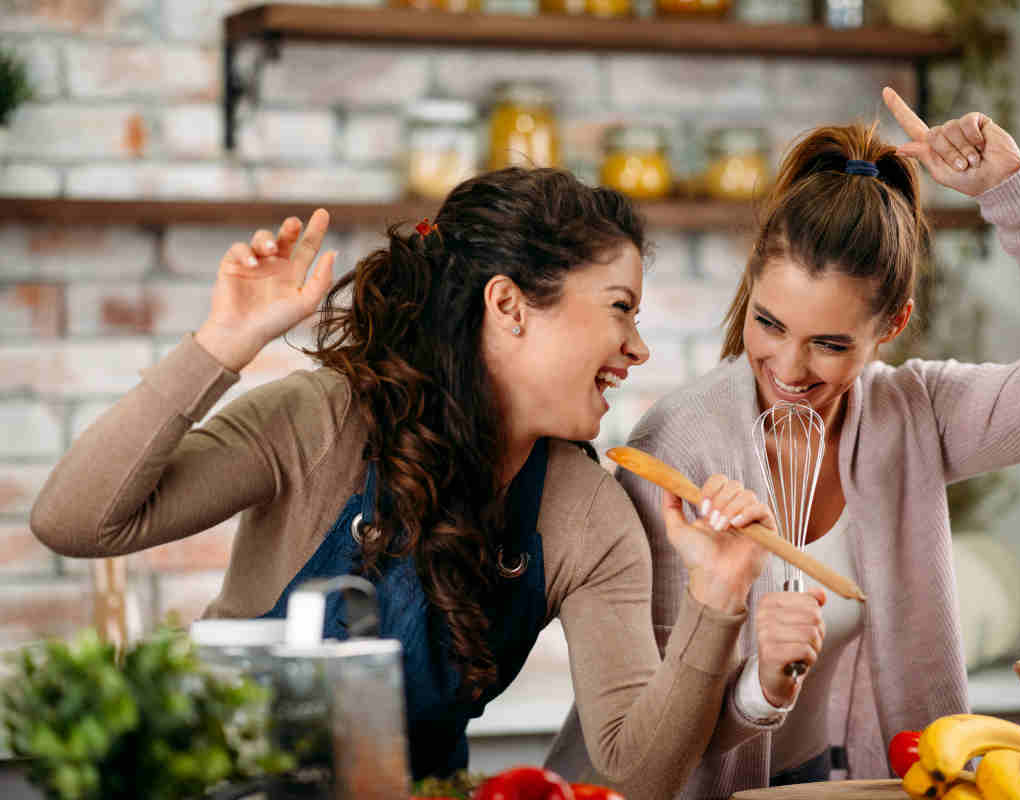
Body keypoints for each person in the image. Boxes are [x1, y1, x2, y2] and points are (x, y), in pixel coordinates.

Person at [29, 167, 778, 799]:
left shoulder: (588, 515)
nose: (637, 349)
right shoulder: (321, 421)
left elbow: (635, 772)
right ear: (509, 305)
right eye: (621, 309)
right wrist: (221, 346)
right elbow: (75, 522)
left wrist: (716, 603)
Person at [546, 88, 1020, 798]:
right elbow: (655, 747)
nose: (790, 369)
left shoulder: (913, 413)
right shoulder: (679, 447)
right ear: (751, 287)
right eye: (769, 324)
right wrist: (759, 681)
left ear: (892, 326)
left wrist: (1014, 194)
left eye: (829, 344)